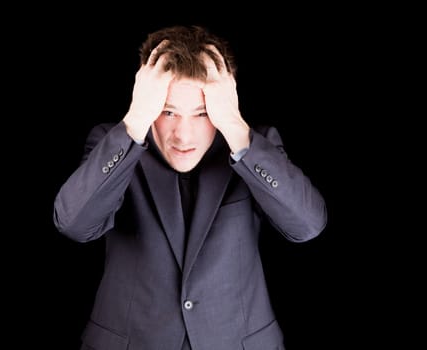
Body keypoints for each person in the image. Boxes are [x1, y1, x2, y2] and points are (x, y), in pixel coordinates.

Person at [53, 25, 327, 350]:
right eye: (168, 112)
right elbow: (74, 224)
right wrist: (136, 119)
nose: (183, 136)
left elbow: (307, 225)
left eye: (201, 113)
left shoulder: (257, 146)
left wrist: (237, 131)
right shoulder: (112, 143)